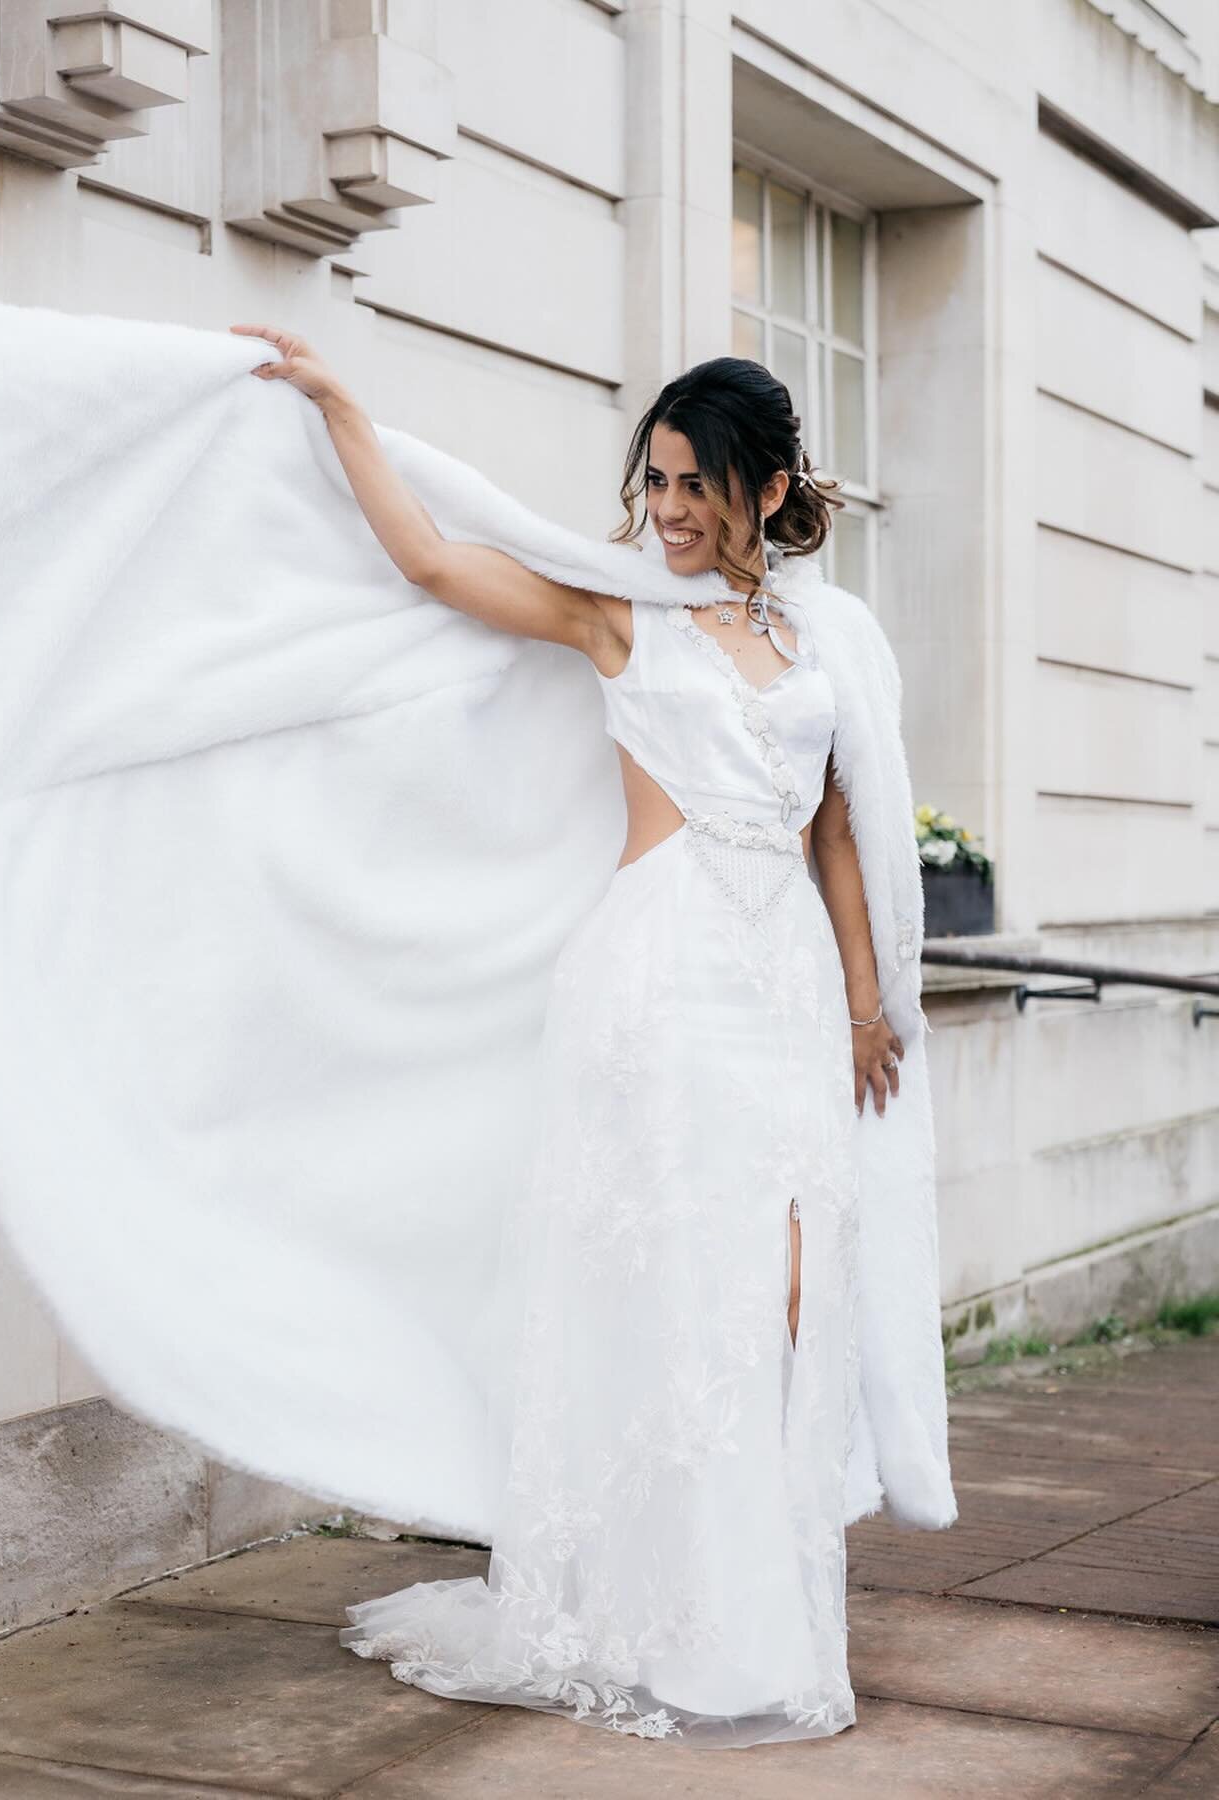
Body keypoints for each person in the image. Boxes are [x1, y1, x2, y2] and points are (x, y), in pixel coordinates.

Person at [230, 326, 918, 1746]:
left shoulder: (821, 639)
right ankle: (667, 1621)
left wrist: (865, 1001)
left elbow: (840, 831)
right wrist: (344, 405)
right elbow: (430, 561)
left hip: (781, 984)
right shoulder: (621, 614)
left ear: (771, 490)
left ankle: (751, 1606)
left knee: (792, 1293)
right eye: (652, 481)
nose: (664, 510)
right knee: (680, 1283)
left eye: (694, 486)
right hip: (654, 982)